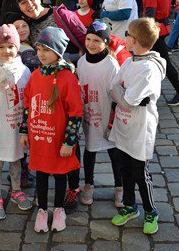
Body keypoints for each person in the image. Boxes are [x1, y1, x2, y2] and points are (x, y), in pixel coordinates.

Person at [20, 27, 83, 233]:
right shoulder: (36, 75)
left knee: (59, 174)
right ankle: (42, 209)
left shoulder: (67, 77)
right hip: (39, 137)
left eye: (46, 49)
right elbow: (28, 104)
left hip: (58, 140)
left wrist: (69, 142)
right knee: (41, 174)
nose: (40, 54)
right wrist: (24, 130)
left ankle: (58, 209)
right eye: (38, 48)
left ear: (58, 51)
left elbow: (75, 113)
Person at [109, 18, 166, 235]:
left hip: (141, 128)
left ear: (134, 40)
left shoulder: (148, 68)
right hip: (124, 124)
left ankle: (151, 210)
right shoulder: (129, 62)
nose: (124, 39)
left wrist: (121, 94)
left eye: (127, 35)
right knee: (125, 169)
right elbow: (112, 86)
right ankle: (130, 206)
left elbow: (128, 99)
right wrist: (122, 94)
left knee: (140, 173)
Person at [0, 24, 34, 219]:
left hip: (18, 127)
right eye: (1, 47)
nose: (6, 51)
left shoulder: (24, 70)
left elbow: (28, 100)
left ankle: (16, 190)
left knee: (17, 160)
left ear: (17, 47)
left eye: (10, 46)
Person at [76, 20, 123, 207]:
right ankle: (89, 184)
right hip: (90, 113)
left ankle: (120, 187)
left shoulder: (111, 64)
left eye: (97, 40)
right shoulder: (81, 62)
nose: (91, 44)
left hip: (107, 115)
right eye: (88, 39)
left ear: (105, 42)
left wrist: (113, 117)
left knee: (114, 152)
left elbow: (117, 92)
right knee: (90, 150)